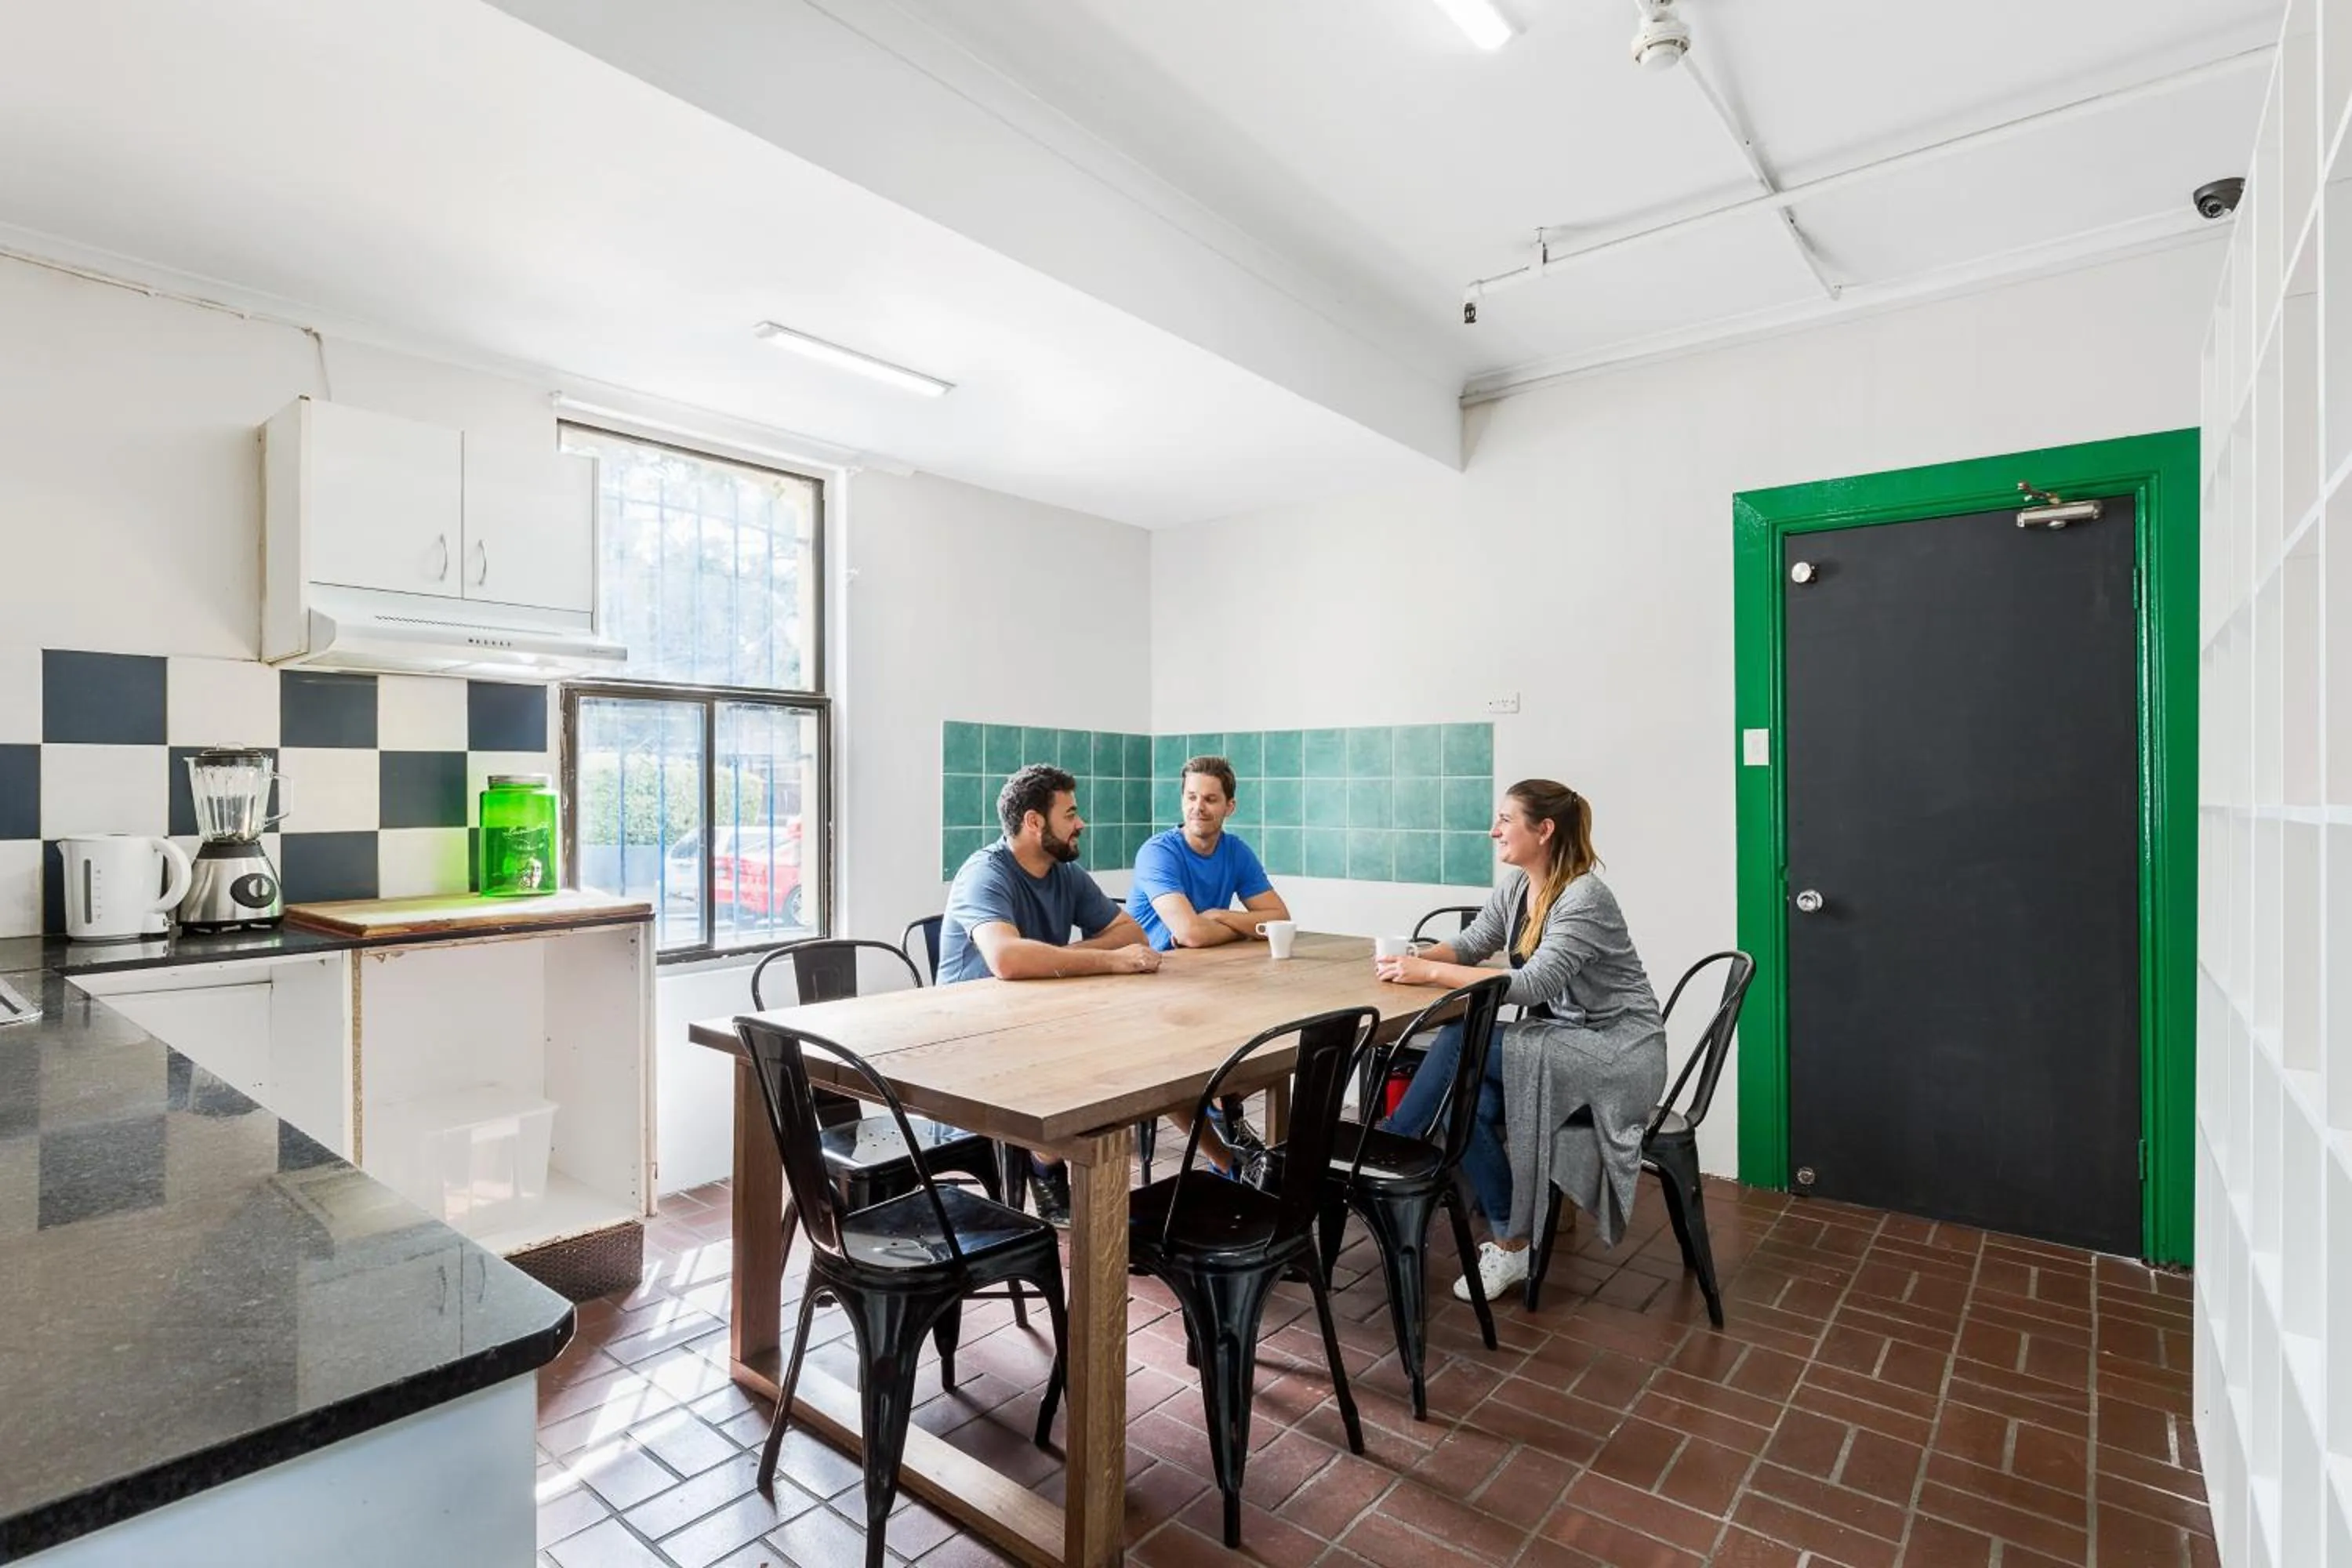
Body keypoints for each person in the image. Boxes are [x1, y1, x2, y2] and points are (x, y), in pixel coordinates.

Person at [1373, 780, 1664, 1303]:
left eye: (1505, 819)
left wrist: (1428, 974)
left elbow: (1532, 985)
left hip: (1617, 1053)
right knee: (1462, 1102)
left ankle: (1388, 1155)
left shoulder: (1584, 896)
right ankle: (1512, 1242)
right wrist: (1409, 959)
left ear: (1544, 829)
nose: (1494, 830)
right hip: (1562, 1043)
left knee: (1462, 1039)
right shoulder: (1517, 886)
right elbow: (1471, 944)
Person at [938, 762, 1160, 1222]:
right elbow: (1007, 959)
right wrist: (1107, 961)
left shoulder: (1063, 871)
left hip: (1039, 1025)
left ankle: (1051, 1167)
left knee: (1140, 1056)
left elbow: (1129, 931)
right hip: (971, 1045)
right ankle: (1050, 1169)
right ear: (1034, 822)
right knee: (1108, 1066)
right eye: (1071, 814)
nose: (1081, 824)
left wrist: (1070, 957)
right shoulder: (984, 873)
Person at [1126, 755, 1291, 1174]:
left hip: (1204, 981)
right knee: (1168, 1071)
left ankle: (1230, 1117)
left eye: (1211, 799)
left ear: (1229, 806)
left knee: (1267, 1036)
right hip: (1145, 986)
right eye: (1191, 797)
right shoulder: (1157, 852)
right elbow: (1190, 934)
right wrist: (1239, 925)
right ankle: (1227, 1155)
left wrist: (1222, 916)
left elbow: (1279, 918)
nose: (1199, 807)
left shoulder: (1235, 850)